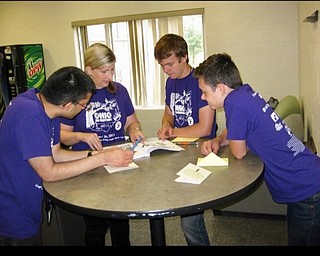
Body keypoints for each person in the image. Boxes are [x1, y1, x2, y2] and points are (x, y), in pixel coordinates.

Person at [194, 52, 320, 246]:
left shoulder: (233, 103)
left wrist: (227, 142)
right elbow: (238, 129)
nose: (203, 97)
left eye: (204, 91)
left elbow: (239, 152)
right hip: (307, 176)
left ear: (220, 88)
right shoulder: (245, 93)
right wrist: (219, 140)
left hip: (306, 188)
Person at [0, 66, 134, 246]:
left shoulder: (49, 108)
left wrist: (96, 153)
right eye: (84, 105)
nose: (84, 109)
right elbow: (49, 172)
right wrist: (102, 159)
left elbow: (56, 153)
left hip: (28, 201)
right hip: (12, 211)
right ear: (68, 105)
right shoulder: (28, 115)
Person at [60, 43, 145, 246]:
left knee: (121, 226)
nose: (110, 76)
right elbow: (63, 136)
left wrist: (134, 130)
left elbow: (131, 122)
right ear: (89, 70)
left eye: (112, 70)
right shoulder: (76, 95)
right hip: (90, 168)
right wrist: (81, 136)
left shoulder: (120, 91)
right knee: (96, 228)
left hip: (118, 166)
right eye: (104, 71)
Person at [154, 34, 217, 246]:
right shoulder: (170, 82)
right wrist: (166, 125)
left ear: (184, 57)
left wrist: (173, 132)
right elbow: (168, 113)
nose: (166, 70)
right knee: (185, 214)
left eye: (170, 64)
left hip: (201, 152)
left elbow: (205, 127)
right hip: (179, 151)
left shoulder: (200, 81)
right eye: (162, 66)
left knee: (190, 221)